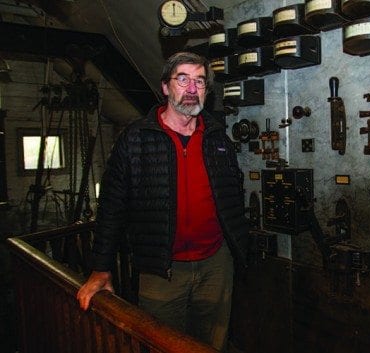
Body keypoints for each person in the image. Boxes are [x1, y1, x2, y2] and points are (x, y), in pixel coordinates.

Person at [77, 51, 249, 351]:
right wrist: (101, 268)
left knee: (211, 343)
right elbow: (112, 206)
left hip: (216, 264)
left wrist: (238, 247)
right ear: (166, 87)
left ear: (206, 92)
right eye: (183, 79)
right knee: (160, 344)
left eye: (200, 81)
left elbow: (233, 193)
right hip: (161, 268)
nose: (192, 88)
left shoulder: (219, 136)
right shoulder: (136, 138)